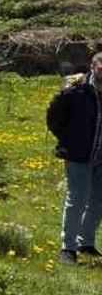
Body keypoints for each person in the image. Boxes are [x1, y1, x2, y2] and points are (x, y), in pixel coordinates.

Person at [46, 53, 102, 265]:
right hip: (79, 154)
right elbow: (54, 116)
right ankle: (68, 248)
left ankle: (86, 243)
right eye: (101, 69)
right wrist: (68, 139)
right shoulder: (76, 91)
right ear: (92, 67)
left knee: (98, 201)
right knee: (77, 200)